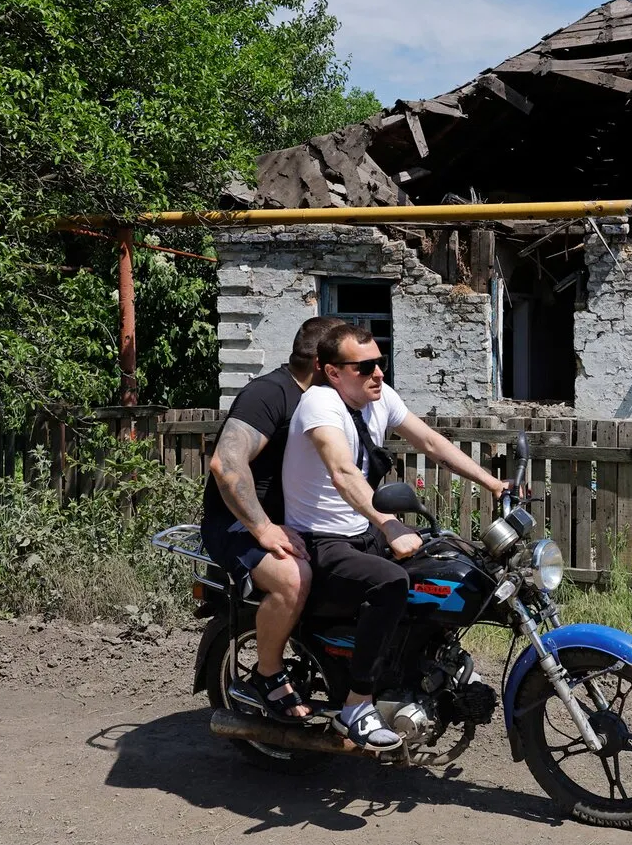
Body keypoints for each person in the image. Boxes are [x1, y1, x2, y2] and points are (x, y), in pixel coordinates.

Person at [282, 323, 508, 751]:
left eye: (380, 363)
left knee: (445, 560)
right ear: (333, 373)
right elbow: (343, 472)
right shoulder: (320, 405)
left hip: (361, 530)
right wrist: (388, 523)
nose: (378, 373)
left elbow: (431, 441)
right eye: (364, 366)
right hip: (321, 540)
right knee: (390, 584)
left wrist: (492, 484)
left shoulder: (378, 398)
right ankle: (357, 704)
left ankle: (426, 665)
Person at [202, 315, 347, 722]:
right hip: (236, 523)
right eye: (345, 363)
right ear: (322, 365)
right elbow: (226, 463)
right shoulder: (268, 393)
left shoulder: (322, 401)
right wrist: (262, 527)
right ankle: (267, 673)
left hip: (294, 521)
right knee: (291, 578)